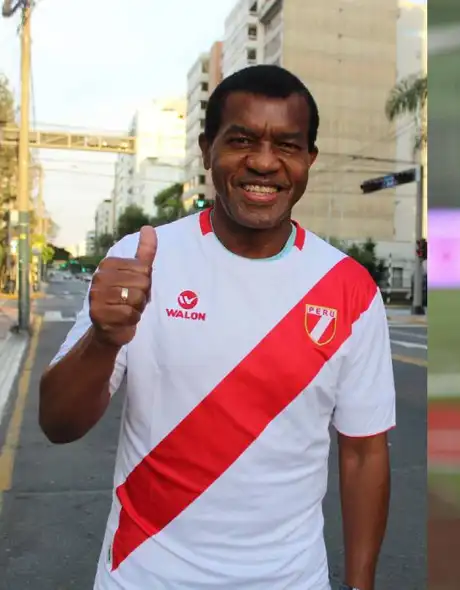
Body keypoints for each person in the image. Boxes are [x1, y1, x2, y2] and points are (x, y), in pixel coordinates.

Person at [38, 65, 396, 590]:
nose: (264, 162)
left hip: (291, 580)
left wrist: (361, 583)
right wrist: (103, 337)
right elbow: (57, 424)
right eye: (242, 141)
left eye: (287, 146)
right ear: (207, 150)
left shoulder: (350, 289)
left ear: (308, 160)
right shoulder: (141, 261)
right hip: (143, 576)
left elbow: (364, 453)